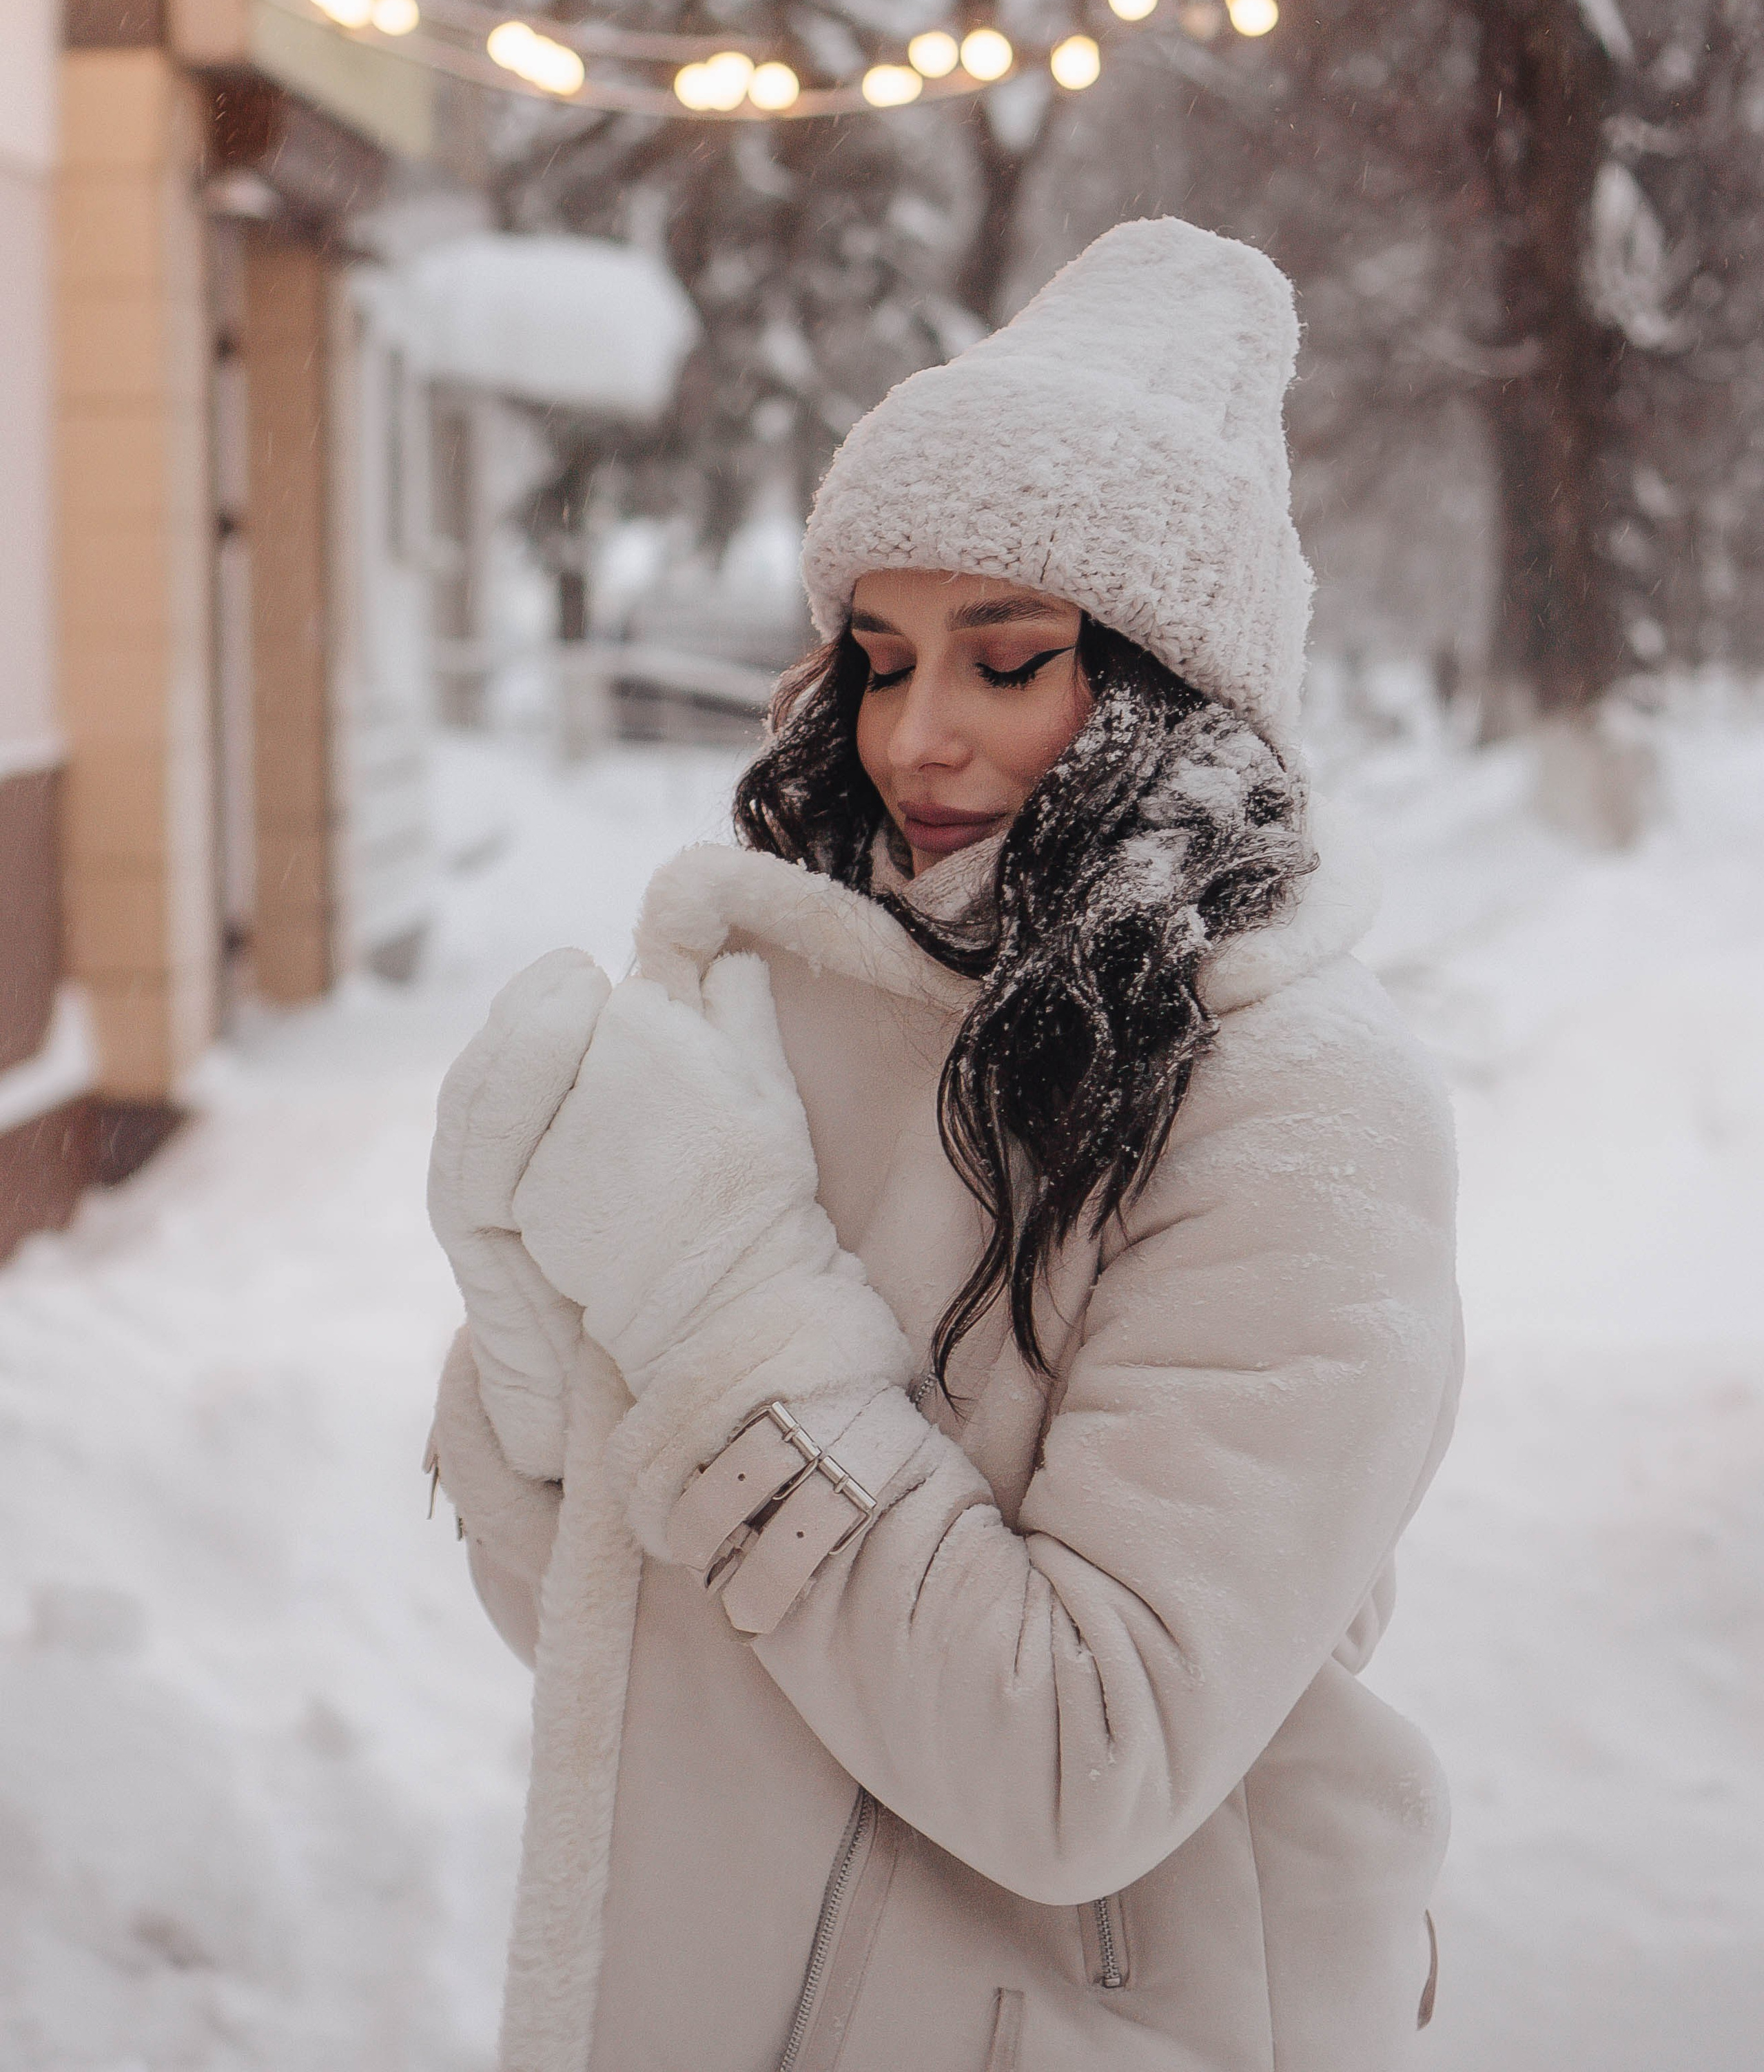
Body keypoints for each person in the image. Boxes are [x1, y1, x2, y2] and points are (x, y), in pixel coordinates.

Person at [425, 216, 1461, 2072]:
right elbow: (659, 1670)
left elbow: (1085, 1760)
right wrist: (536, 1378)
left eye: (1008, 660)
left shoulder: (1300, 1104)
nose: (920, 735)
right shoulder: (825, 1005)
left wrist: (712, 1310)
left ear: (1165, 686)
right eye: (882, 658)